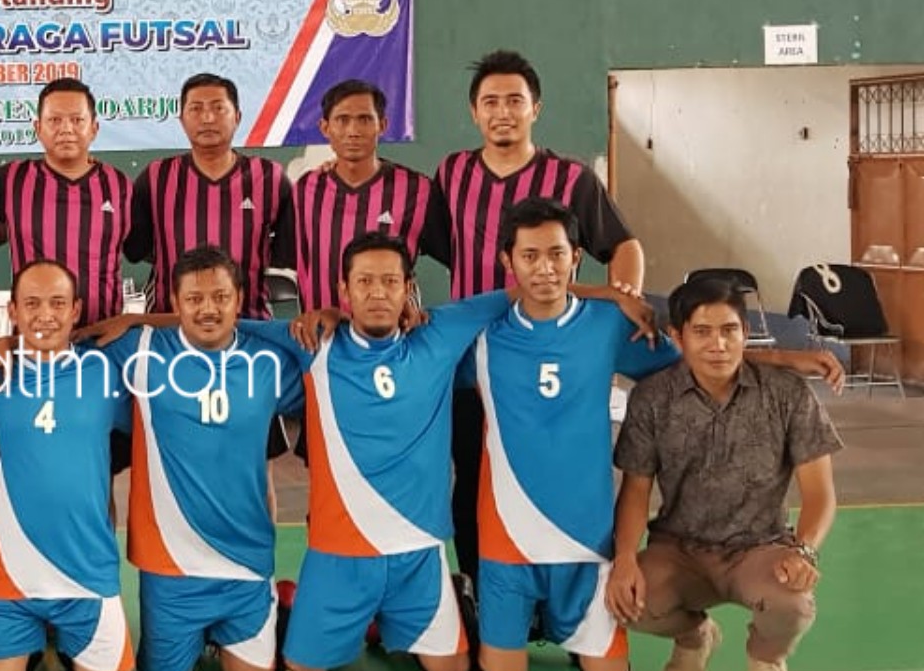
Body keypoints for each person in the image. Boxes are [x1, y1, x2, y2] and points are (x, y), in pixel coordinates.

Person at [269, 232, 653, 671]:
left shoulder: (441, 332)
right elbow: (222, 329)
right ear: (343, 290)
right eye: (363, 281)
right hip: (338, 556)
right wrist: (320, 316)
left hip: (418, 556)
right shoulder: (314, 343)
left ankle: (451, 601)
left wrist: (610, 293)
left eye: (389, 281)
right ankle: (288, 607)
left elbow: (530, 289)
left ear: (408, 288)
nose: (375, 292)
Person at [429, 50, 645, 594]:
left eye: (514, 101)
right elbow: (425, 245)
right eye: (491, 102)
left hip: (549, 359)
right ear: (474, 112)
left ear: (535, 108)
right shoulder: (452, 173)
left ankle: (570, 593)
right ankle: (482, 586)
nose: (503, 112)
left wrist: (621, 301)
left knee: (557, 475)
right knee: (473, 478)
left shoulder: (570, 177)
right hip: (475, 363)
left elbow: (624, 246)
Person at [467, 200, 680, 671]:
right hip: (507, 541)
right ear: (508, 261)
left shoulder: (609, 325)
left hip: (587, 542)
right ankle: (470, 600)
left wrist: (783, 360)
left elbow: (691, 368)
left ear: (576, 257)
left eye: (557, 255)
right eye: (530, 256)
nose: (544, 268)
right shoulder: (480, 334)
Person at [608, 274, 842, 671]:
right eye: (702, 332)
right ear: (677, 337)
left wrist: (805, 552)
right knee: (626, 600)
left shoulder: (787, 394)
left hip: (760, 548)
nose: (718, 344)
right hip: (679, 549)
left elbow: (820, 494)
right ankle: (695, 637)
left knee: (791, 603)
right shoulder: (652, 399)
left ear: (746, 334)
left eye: (729, 330)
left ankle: (767, 662)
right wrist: (624, 560)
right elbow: (635, 491)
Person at [99, 246, 307, 671]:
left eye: (220, 297)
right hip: (169, 564)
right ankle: (203, 637)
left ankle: (285, 605)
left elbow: (328, 363)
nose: (208, 308)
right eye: (193, 299)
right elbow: (57, 347)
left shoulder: (268, 362)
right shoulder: (141, 351)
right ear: (173, 303)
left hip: (245, 558)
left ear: (240, 298)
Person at [0, 259, 133, 671]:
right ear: (12, 311)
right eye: (33, 304)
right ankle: (35, 642)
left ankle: (60, 641)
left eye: (58, 303)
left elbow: (193, 329)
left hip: (87, 579)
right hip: (11, 586)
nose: (46, 315)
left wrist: (136, 319)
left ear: (76, 309)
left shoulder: (106, 372)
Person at [0, 78, 140, 326]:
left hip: (104, 339)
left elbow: (141, 249)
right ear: (38, 128)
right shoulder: (13, 179)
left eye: (77, 120)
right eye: (54, 120)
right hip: (35, 340)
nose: (66, 129)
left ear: (94, 128)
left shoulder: (120, 185)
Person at [125, 73, 294, 319]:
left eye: (218, 108)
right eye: (196, 108)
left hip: (249, 323)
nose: (207, 117)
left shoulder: (270, 177)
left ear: (237, 117)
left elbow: (286, 251)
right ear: (182, 119)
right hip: (168, 325)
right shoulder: (156, 177)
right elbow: (136, 248)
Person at [291, 79, 445, 314]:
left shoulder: (417, 190)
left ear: (382, 125)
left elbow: (459, 254)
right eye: (342, 120)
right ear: (325, 128)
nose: (353, 131)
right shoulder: (305, 190)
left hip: (390, 339)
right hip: (320, 338)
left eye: (364, 119)